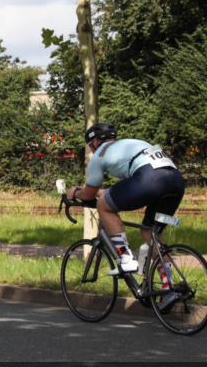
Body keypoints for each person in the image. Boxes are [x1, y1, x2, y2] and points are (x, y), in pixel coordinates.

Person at [70, 123, 186, 310]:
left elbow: (89, 194)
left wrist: (74, 192)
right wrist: (104, 192)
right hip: (175, 180)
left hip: (150, 179)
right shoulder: (132, 144)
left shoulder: (99, 155)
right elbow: (131, 183)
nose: (92, 150)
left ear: (97, 141)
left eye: (91, 145)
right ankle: (169, 287)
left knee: (104, 207)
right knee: (150, 233)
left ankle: (126, 258)